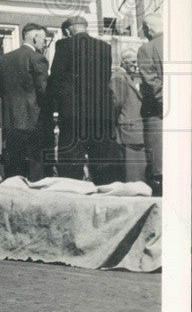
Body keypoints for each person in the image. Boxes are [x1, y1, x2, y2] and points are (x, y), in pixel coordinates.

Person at [46, 15, 115, 183]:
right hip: (100, 113)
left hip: (73, 115)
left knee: (71, 163)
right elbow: (106, 78)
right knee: (101, 162)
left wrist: (52, 106)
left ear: (68, 31)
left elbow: (56, 79)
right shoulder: (104, 47)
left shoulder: (64, 45)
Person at [0, 23, 49, 180]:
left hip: (10, 121)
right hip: (33, 121)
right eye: (44, 39)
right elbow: (43, 90)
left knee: (15, 165)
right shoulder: (37, 58)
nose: (45, 43)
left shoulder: (4, 59)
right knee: (35, 165)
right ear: (34, 38)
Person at [110, 49, 147, 185]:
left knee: (136, 175)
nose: (135, 65)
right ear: (123, 62)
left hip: (132, 132)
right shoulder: (119, 77)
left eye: (136, 62)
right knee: (133, 177)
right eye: (132, 62)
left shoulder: (126, 77)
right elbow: (115, 104)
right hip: (128, 132)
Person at [137, 13, 163, 196]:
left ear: (148, 29)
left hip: (158, 116)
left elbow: (152, 84)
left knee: (160, 171)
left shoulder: (147, 49)